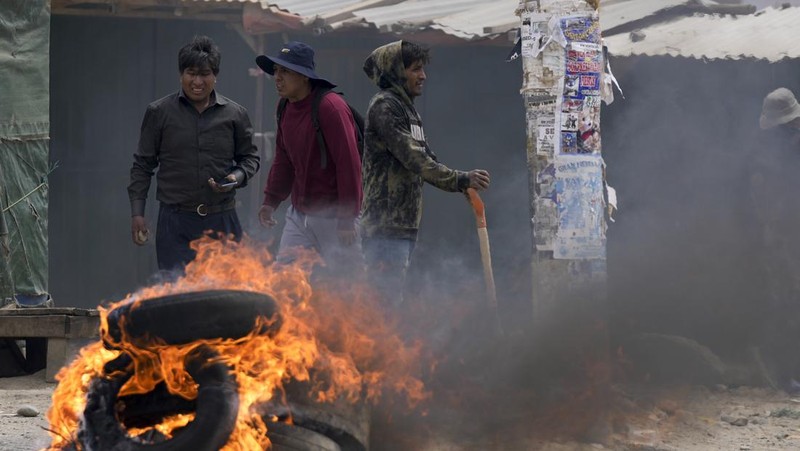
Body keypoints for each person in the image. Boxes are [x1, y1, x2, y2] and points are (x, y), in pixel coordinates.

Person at [360, 40, 490, 307]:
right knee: (383, 306)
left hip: (404, 226)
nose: (423, 76)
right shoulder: (384, 107)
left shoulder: (406, 109)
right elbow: (414, 158)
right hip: (385, 228)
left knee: (392, 302)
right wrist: (459, 179)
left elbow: (428, 157)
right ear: (396, 70)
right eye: (416, 69)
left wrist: (462, 185)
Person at [127, 35, 260, 272]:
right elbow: (143, 165)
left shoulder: (235, 114)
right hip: (175, 222)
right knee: (176, 293)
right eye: (191, 73)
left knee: (225, 294)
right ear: (181, 74)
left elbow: (250, 158)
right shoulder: (159, 112)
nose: (197, 81)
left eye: (205, 74)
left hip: (222, 220)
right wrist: (137, 213)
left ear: (215, 76)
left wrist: (235, 178)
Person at [255, 42, 363, 275]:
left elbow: (349, 165)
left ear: (304, 76)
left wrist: (346, 218)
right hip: (299, 214)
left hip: (335, 217)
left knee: (347, 287)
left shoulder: (331, 108)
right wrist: (270, 201)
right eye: (276, 71)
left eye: (285, 71)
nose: (277, 78)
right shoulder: (284, 106)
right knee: (285, 279)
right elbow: (283, 160)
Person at [749, 87, 800, 391]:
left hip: (780, 238)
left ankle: (785, 374)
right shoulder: (771, 155)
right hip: (783, 239)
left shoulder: (769, 151)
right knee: (785, 306)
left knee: (785, 305)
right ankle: (785, 374)